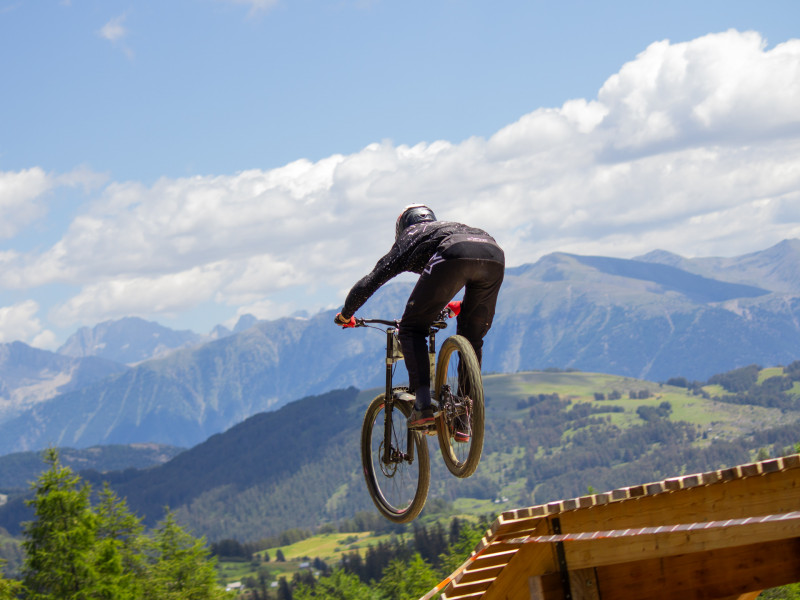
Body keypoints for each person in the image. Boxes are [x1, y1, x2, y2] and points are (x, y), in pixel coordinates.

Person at [335, 205, 505, 434]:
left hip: (455, 251)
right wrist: (462, 306)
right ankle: (464, 417)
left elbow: (372, 280)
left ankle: (422, 405)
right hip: (493, 253)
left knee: (411, 328)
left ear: (402, 227)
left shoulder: (410, 237)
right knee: (472, 337)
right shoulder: (445, 229)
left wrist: (346, 314)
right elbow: (465, 267)